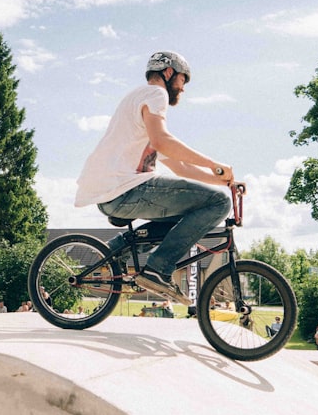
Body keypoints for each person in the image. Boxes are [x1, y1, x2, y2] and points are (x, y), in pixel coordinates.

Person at [74, 51, 234, 306]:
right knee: (219, 203)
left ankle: (117, 249)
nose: (183, 87)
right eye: (183, 79)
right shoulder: (155, 94)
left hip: (115, 191)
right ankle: (158, 269)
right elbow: (164, 141)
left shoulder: (140, 105)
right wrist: (214, 165)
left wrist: (223, 181)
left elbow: (180, 167)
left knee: (197, 207)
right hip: (125, 189)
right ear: (168, 73)